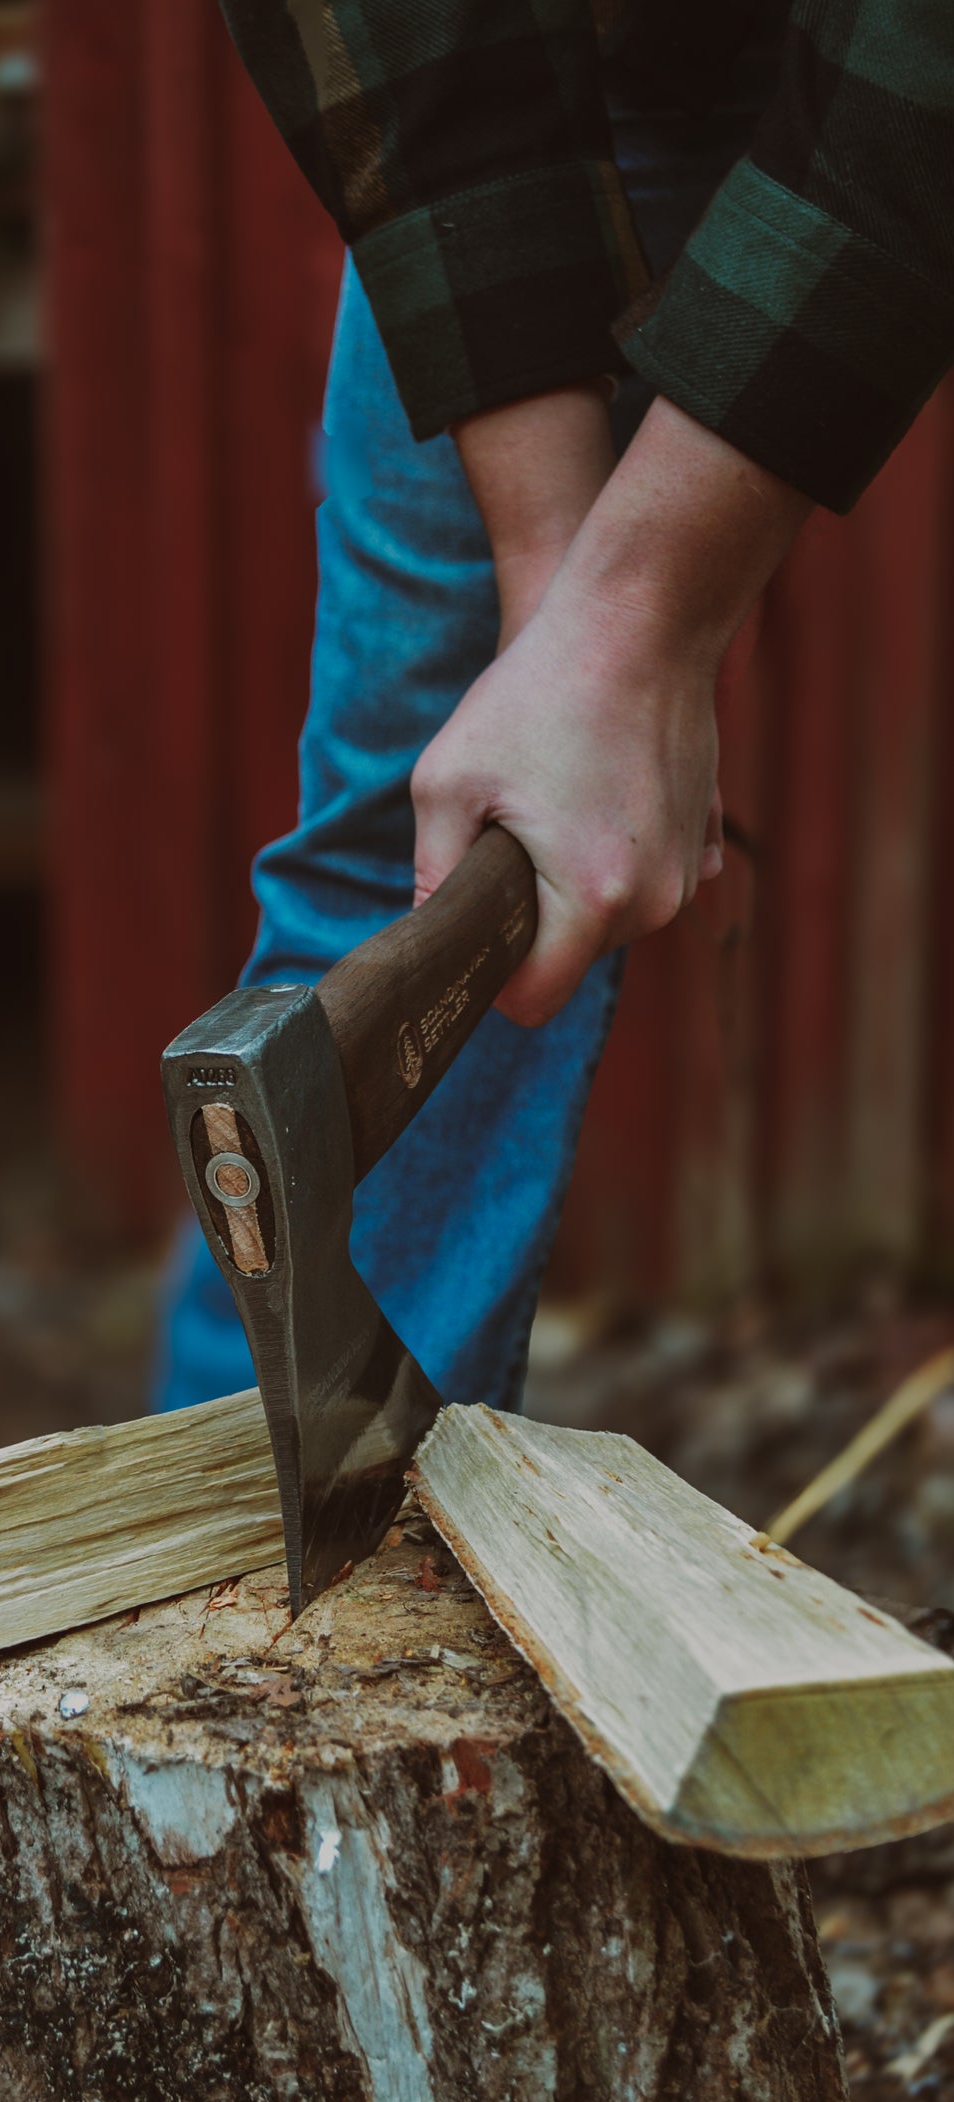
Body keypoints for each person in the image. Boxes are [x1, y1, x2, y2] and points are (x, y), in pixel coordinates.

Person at [155, 1, 954, 1413]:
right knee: (441, 833)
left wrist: (638, 624)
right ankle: (275, 1509)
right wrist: (553, 598)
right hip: (592, 43)